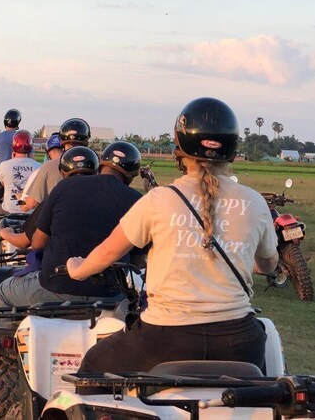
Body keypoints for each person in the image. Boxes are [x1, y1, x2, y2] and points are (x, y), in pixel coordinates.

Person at [67, 98, 279, 373]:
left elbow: (108, 252)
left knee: (92, 365)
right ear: (232, 148)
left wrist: (77, 269)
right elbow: (269, 264)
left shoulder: (158, 200)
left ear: (180, 148)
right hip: (239, 342)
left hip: (165, 340)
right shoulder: (255, 202)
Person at [0, 144, 142, 308]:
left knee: (3, 291)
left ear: (101, 165)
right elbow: (139, 259)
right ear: (131, 174)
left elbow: (37, 244)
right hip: (111, 295)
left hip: (55, 288)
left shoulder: (64, 187)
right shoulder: (137, 200)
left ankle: (8, 333)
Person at [0, 130, 41, 216]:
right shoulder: (38, 166)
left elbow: (2, 184)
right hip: (31, 211)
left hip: (9, 209)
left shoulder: (4, 165)